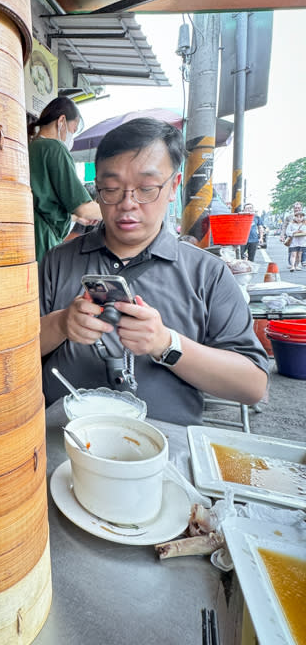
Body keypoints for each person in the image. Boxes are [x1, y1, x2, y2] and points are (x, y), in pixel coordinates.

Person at [38, 117, 269, 425]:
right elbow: (6, 353)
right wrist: (61, 324)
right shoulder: (57, 261)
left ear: (173, 186)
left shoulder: (206, 273)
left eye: (146, 189)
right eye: (111, 188)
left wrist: (167, 344)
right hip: (62, 438)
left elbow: (252, 386)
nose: (127, 204)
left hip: (166, 451)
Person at [28, 96, 101, 262]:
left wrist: (75, 218)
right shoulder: (54, 148)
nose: (71, 138)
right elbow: (83, 208)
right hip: (44, 243)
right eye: (73, 130)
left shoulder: (32, 147)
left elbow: (45, 205)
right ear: (61, 121)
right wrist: (118, 211)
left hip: (31, 237)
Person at [286, 204, 306, 271]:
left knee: (299, 255)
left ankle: (297, 265)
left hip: (302, 242)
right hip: (293, 242)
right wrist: (295, 232)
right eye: (297, 217)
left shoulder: (304, 224)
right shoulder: (291, 224)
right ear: (295, 217)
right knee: (293, 254)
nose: (299, 218)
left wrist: (302, 232)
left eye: (301, 217)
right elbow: (287, 232)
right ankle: (292, 266)